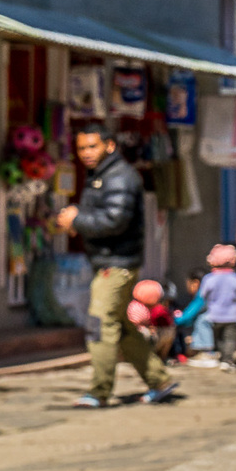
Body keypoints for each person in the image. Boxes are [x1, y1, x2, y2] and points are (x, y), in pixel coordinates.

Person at [54, 124, 177, 409]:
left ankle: (98, 391)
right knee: (122, 327)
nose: (86, 153)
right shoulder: (102, 176)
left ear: (109, 146)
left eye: (92, 146)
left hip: (116, 264)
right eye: (81, 148)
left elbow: (114, 220)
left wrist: (77, 220)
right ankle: (160, 381)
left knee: (100, 323)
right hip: (110, 261)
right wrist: (79, 222)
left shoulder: (119, 177)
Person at [188, 244, 236, 371]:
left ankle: (210, 354)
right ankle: (227, 360)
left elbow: (203, 294)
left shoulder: (209, 279)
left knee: (217, 337)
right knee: (229, 339)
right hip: (232, 315)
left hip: (214, 315)